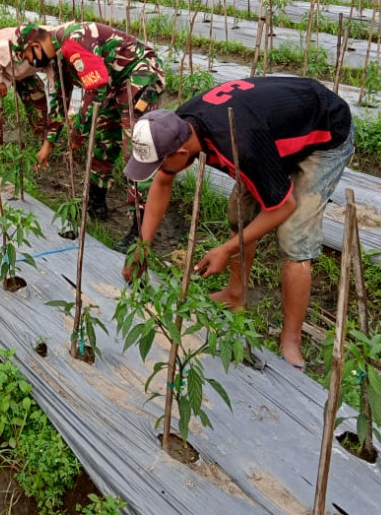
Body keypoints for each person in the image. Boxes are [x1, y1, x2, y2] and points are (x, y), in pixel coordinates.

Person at [123, 76, 353, 368]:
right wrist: (142, 246)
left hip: (324, 132)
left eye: (159, 164)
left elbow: (283, 207)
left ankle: (291, 337)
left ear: (180, 152)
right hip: (272, 129)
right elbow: (162, 184)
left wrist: (227, 249)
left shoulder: (241, 145)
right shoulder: (177, 125)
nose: (160, 171)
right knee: (239, 214)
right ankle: (235, 294)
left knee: (294, 236)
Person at [15, 21, 164, 248]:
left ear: (36, 44)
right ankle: (96, 204)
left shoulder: (71, 42)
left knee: (134, 149)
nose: (30, 62)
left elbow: (95, 88)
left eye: (28, 55)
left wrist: (79, 132)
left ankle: (141, 230)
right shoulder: (56, 59)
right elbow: (60, 101)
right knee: (103, 140)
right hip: (113, 83)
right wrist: (48, 144)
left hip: (138, 74)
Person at [0, 26, 48, 147]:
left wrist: (69, 112)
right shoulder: (10, 44)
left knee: (37, 91)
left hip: (21, 68)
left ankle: (40, 134)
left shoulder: (50, 47)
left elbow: (58, 81)